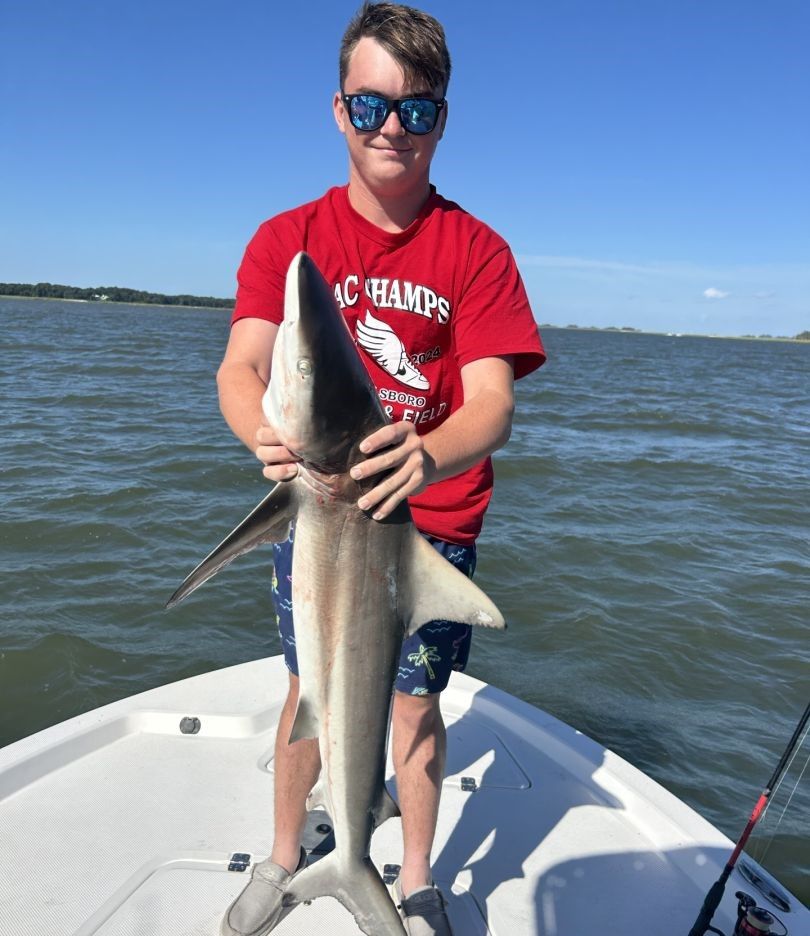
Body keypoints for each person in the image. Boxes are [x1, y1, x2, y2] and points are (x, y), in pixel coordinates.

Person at [216, 3, 545, 934]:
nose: (391, 128)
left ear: (443, 117)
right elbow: (243, 367)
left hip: (432, 527)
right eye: (370, 107)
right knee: (304, 692)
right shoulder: (289, 241)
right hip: (317, 516)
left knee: (414, 708)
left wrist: (427, 451)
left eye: (416, 110)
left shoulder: (478, 251)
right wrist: (260, 434)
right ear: (338, 111)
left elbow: (492, 404)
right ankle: (286, 860)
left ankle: (416, 878)